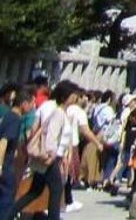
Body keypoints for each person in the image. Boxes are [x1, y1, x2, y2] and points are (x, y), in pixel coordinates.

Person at [8, 80, 82, 220]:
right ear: (65, 96)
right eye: (73, 95)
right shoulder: (59, 113)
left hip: (50, 158)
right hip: (50, 158)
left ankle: (9, 215)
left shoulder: (62, 112)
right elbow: (51, 137)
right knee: (56, 190)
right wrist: (51, 156)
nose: (75, 98)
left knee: (35, 191)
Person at [0, 86, 35, 220]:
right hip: (6, 167)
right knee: (6, 201)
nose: (32, 107)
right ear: (23, 104)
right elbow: (3, 143)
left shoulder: (9, 116)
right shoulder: (15, 119)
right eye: (31, 104)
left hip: (8, 163)